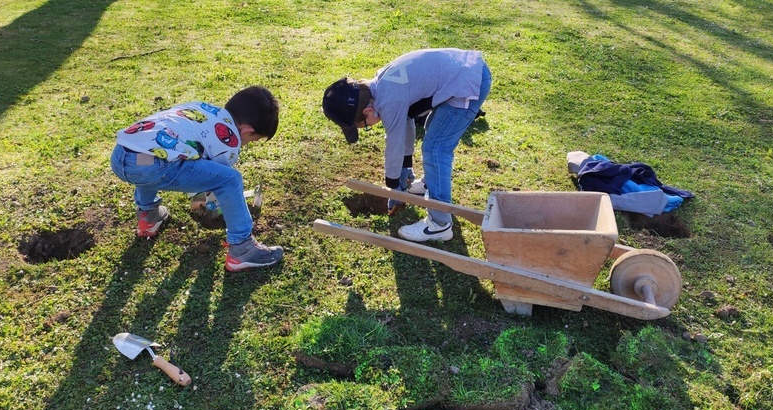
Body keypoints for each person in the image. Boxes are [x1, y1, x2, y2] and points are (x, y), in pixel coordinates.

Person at [322, 48, 492, 242]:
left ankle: (439, 224)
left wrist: (394, 188)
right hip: (467, 71)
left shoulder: (389, 100)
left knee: (436, 147)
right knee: (433, 130)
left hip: (469, 83)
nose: (368, 127)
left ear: (368, 111)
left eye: (365, 126)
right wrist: (406, 169)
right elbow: (407, 122)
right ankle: (432, 183)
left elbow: (394, 144)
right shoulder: (381, 84)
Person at [110, 86, 284, 271]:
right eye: (253, 140)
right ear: (247, 130)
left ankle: (149, 216)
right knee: (230, 179)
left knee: (155, 155)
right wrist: (200, 198)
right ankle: (242, 249)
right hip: (154, 166)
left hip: (121, 154)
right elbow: (214, 179)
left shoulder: (201, 109)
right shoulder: (229, 140)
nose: (248, 144)